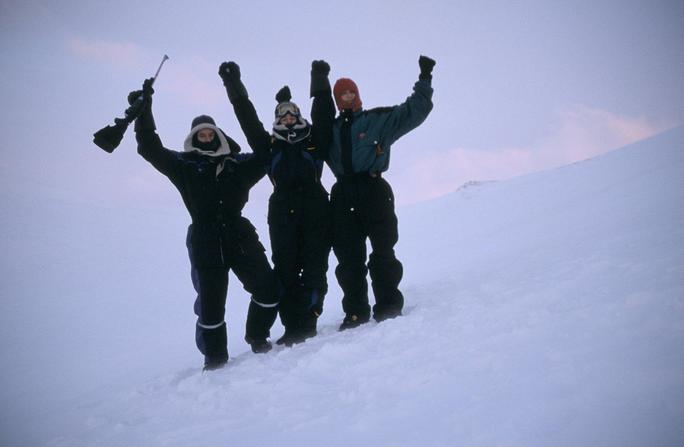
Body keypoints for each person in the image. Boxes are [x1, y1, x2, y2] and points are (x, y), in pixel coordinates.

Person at [130, 78, 279, 370]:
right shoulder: (183, 167)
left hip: (239, 234)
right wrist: (143, 109)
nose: (206, 136)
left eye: (211, 132)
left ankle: (257, 335)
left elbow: (266, 153)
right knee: (211, 307)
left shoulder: (238, 165)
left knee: (268, 289)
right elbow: (149, 148)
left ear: (219, 135)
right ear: (193, 138)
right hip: (204, 238)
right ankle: (215, 358)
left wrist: (238, 92)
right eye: (201, 134)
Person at [218, 60, 335, 346]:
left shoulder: (314, 141)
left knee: (315, 266)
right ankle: (291, 324)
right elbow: (247, 119)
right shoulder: (269, 146)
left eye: (291, 115)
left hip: (316, 208)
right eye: (282, 117)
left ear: (298, 116)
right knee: (284, 269)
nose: (287, 120)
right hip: (282, 211)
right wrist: (233, 84)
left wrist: (319, 80)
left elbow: (323, 114)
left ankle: (308, 321)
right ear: (277, 121)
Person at [325, 55, 435, 330]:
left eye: (351, 92)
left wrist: (424, 79)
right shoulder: (329, 130)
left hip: (374, 189)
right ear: (337, 101)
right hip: (343, 194)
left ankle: (387, 305)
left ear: (358, 94)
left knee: (383, 250)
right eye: (342, 94)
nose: (347, 97)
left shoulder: (377, 120)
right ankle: (355, 312)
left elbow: (413, 112)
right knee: (348, 259)